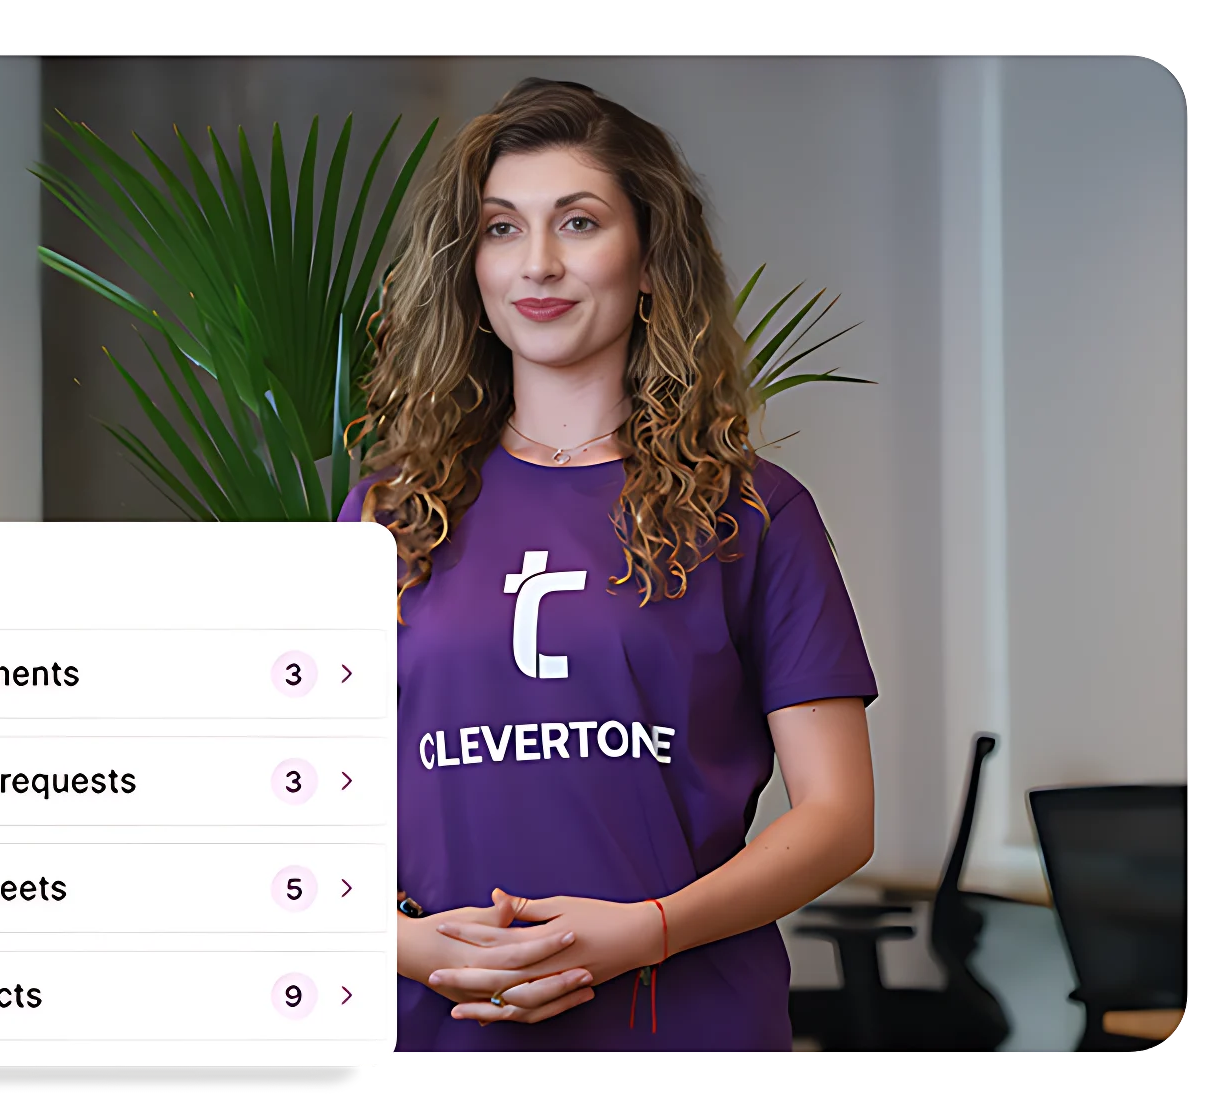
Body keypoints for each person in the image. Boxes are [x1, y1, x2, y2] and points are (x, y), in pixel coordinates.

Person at [336, 77, 879, 1055]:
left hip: (680, 1027)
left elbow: (836, 816)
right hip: (432, 1027)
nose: (536, 263)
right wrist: (407, 944)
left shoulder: (755, 511)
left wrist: (645, 930)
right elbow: (298, 795)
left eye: (577, 222)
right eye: (502, 229)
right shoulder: (383, 512)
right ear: (467, 267)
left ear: (647, 256)